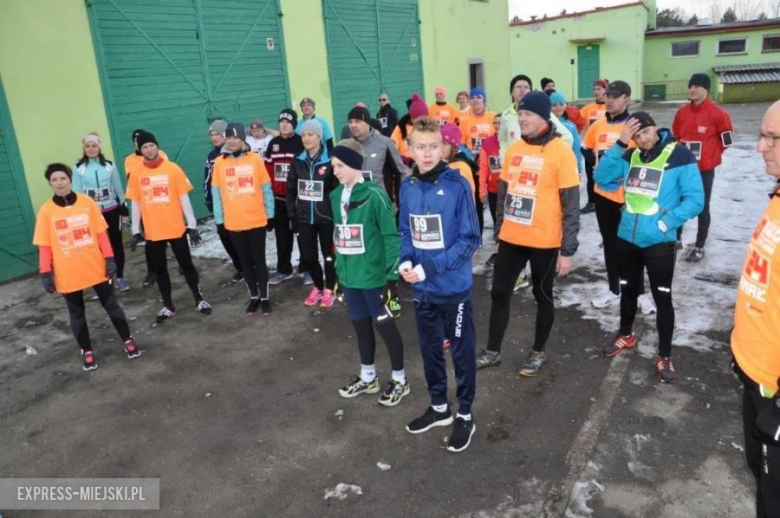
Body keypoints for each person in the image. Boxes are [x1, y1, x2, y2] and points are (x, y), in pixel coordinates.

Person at [594, 111, 703, 383]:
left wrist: (667, 224)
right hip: (627, 240)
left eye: (646, 132)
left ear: (656, 129)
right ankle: (625, 335)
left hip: (659, 242)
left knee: (662, 297)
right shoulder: (630, 155)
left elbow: (695, 199)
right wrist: (620, 143)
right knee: (628, 290)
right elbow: (601, 176)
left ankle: (664, 353)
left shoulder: (680, 156)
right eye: (636, 134)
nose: (642, 139)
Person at [476, 92, 580, 377]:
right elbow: (504, 194)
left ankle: (538, 351)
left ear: (544, 117)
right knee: (499, 292)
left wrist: (568, 250)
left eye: (528, 114)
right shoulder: (514, 150)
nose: (521, 119)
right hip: (512, 237)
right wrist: (499, 231)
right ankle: (493, 351)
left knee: (542, 294)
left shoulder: (561, 152)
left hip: (544, 240)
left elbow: (571, 205)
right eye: (520, 114)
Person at [399, 116, 481, 453]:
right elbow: (406, 231)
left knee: (461, 354)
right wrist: (406, 259)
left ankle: (464, 413)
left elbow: (469, 239)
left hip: (453, 289)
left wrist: (428, 268)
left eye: (434, 146)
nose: (428, 153)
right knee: (430, 350)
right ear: (410, 149)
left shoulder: (458, 183)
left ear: (443, 147)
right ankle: (439, 409)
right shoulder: (407, 186)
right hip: (422, 291)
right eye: (421, 147)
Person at [34, 163, 141, 371]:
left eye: (63, 178)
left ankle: (127, 339)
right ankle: (87, 351)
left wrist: (110, 259)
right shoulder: (46, 211)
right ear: (50, 183)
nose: (59, 183)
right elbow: (44, 245)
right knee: (76, 313)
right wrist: (45, 272)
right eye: (55, 180)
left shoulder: (87, 203)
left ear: (70, 180)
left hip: (95, 266)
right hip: (68, 271)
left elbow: (102, 233)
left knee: (111, 305)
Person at [330, 139, 410, 406]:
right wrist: (339, 275)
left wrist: (391, 277)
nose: (335, 171)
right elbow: (339, 237)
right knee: (361, 327)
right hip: (351, 278)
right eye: (333, 166)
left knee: (385, 327)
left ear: (354, 165)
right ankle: (368, 377)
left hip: (375, 278)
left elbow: (390, 236)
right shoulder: (334, 196)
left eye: (340, 165)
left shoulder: (375, 195)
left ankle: (400, 380)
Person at [731, 100, 780, 518]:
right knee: (761, 482)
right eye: (762, 135)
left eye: (772, 138)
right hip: (756, 374)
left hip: (774, 390)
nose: (759, 147)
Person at [583, 80, 654, 315]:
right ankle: (614, 288)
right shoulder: (597, 126)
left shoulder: (635, 125)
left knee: (634, 246)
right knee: (610, 245)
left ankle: (640, 292)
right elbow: (587, 151)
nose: (609, 100)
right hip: (604, 196)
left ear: (627, 98)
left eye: (615, 96)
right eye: (608, 95)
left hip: (630, 197)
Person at [126, 131, 212, 323]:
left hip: (176, 229)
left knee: (187, 265)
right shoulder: (137, 173)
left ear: (157, 146)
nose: (148, 149)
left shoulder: (172, 169)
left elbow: (184, 197)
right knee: (160, 270)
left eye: (151, 145)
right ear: (140, 150)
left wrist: (191, 224)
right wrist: (135, 231)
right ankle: (168, 305)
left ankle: (199, 299)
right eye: (144, 147)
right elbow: (136, 203)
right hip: (154, 232)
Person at [211, 123, 274, 316]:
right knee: (245, 263)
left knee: (259, 261)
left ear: (242, 139)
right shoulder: (220, 163)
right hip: (234, 222)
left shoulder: (255, 160)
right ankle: (253, 296)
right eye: (228, 137)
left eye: (235, 137)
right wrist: (219, 220)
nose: (231, 141)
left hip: (255, 220)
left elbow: (266, 188)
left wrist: (270, 214)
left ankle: (264, 297)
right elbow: (217, 193)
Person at [672, 73, 734, 262]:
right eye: (691, 86)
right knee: (678, 203)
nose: (692, 90)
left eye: (697, 86)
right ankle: (676, 239)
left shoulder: (718, 114)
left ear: (706, 89)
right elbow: (676, 136)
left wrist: (711, 155)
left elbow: (727, 140)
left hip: (704, 170)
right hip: (683, 169)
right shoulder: (682, 113)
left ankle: (699, 246)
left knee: (702, 207)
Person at [287, 120, 338, 307]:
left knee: (329, 255)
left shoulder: (330, 159)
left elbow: (337, 188)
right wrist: (292, 215)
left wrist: (336, 212)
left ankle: (330, 288)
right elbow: (291, 189)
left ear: (319, 136)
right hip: (303, 218)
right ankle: (318, 285)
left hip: (325, 217)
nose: (307, 138)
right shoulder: (297, 160)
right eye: (304, 135)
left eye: (311, 134)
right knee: (308, 256)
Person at [72, 133, 130, 292]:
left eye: (94, 145)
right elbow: (77, 192)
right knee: (94, 248)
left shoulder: (109, 165)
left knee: (116, 244)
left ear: (99, 146)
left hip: (112, 210)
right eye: (87, 146)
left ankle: (120, 278)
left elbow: (118, 188)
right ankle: (99, 282)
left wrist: (124, 207)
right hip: (91, 215)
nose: (91, 149)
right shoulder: (78, 168)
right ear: (83, 148)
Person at [123, 129, 168, 288]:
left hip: (164, 203)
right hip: (145, 206)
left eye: (141, 140)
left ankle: (184, 265)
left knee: (175, 235)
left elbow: (166, 173)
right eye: (136, 141)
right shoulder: (130, 159)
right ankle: (152, 271)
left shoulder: (161, 153)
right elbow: (134, 179)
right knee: (151, 240)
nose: (139, 143)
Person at [265, 109, 305, 285]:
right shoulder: (273, 143)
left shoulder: (301, 142)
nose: (284, 124)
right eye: (281, 121)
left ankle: (307, 269)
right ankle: (284, 269)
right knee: (282, 238)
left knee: (304, 237)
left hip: (298, 200)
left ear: (294, 125)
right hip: (279, 200)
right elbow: (267, 170)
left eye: (288, 122)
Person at [203, 119, 243, 283]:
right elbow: (207, 179)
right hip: (220, 206)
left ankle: (249, 265)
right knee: (225, 237)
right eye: (212, 135)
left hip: (237, 203)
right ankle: (239, 266)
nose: (214, 137)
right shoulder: (212, 156)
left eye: (217, 134)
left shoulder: (236, 153)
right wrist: (208, 199)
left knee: (240, 237)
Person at [498, 75, 573, 161]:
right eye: (518, 87)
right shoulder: (506, 115)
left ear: (530, 91)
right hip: (514, 168)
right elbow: (503, 139)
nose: (522, 90)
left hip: (535, 167)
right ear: (511, 92)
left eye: (526, 87)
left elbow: (567, 137)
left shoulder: (542, 112)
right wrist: (504, 160)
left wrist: (550, 161)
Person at [348, 105, 408, 203]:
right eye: (350, 122)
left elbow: (400, 173)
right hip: (356, 205)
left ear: (367, 123)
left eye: (357, 121)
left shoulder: (385, 144)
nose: (353, 125)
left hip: (381, 204)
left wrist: (400, 203)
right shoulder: (347, 146)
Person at [580, 78, 610, 213]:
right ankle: (592, 202)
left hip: (607, 150)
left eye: (599, 89)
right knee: (591, 177)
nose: (596, 91)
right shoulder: (587, 109)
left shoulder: (610, 107)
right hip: (590, 149)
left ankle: (608, 203)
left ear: (606, 90)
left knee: (608, 177)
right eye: (595, 89)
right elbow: (576, 121)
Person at [550, 92, 585, 176]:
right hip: (549, 166)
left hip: (566, 166)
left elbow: (576, 149)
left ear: (565, 106)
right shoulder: (545, 124)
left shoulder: (571, 126)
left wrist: (578, 168)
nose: (558, 107)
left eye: (561, 104)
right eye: (554, 105)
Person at [459, 87, 496, 159]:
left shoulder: (493, 117)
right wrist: (469, 155)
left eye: (479, 97)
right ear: (469, 101)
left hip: (490, 158)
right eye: (472, 98)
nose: (475, 100)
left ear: (484, 100)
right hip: (473, 161)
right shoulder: (464, 120)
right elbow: (461, 144)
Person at [391, 93, 429, 164]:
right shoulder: (401, 127)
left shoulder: (431, 130)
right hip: (407, 168)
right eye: (420, 119)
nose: (423, 121)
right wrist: (407, 161)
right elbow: (391, 149)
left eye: (426, 117)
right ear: (412, 119)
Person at [440, 123, 477, 195]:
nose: (441, 147)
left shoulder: (459, 167)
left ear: (455, 147)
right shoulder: (450, 163)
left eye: (445, 144)